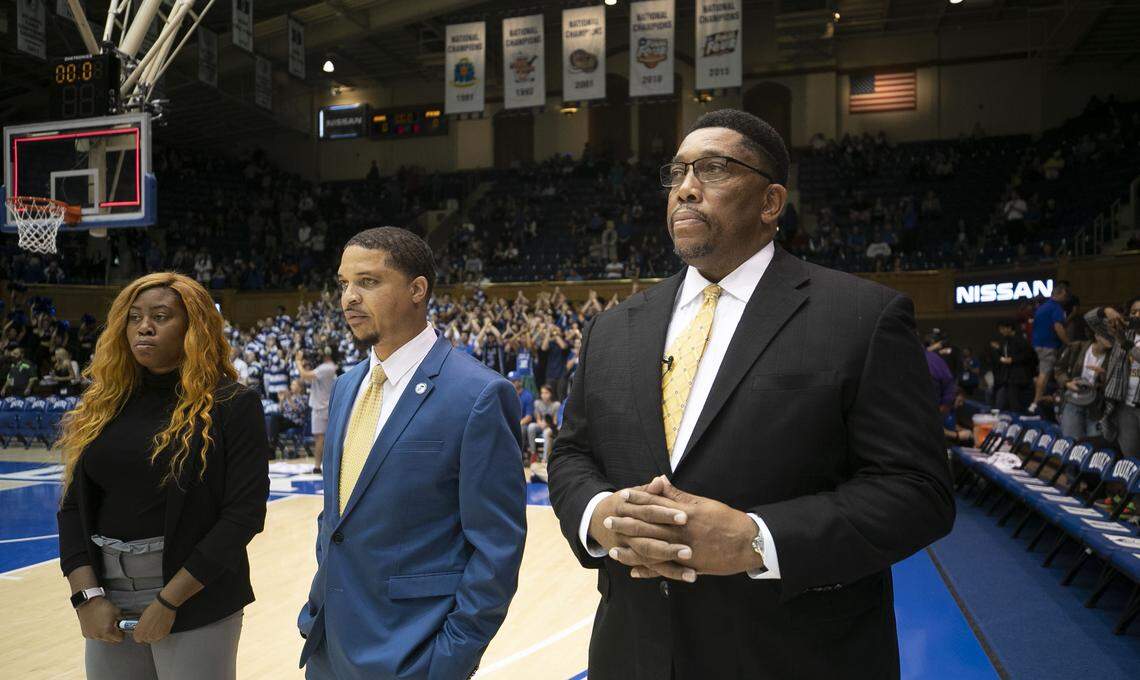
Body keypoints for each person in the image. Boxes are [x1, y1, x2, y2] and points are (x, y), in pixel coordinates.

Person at [548, 109, 954, 679]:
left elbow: (919, 493)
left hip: (793, 656)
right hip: (632, 654)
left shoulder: (863, 316)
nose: (686, 188)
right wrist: (599, 514)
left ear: (770, 202)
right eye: (677, 172)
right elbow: (571, 454)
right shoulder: (613, 328)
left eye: (713, 169)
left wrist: (757, 540)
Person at [298, 227, 526, 679]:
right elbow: (335, 521)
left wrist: (448, 662)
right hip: (330, 647)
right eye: (343, 284)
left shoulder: (478, 394)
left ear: (417, 289)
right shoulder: (346, 386)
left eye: (367, 282)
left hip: (414, 655)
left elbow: (496, 549)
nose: (348, 298)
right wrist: (315, 614)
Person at [55, 272, 270, 680]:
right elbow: (72, 507)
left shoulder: (233, 405)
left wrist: (169, 602)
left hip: (196, 593)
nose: (144, 327)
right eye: (134, 317)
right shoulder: (103, 404)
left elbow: (242, 516)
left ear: (194, 327)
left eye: (160, 316)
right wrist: (86, 597)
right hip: (107, 595)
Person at [1083, 297, 1140, 456]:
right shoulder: (1120, 334)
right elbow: (1089, 318)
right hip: (1125, 406)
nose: (1137, 315)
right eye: (1133, 311)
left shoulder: (1121, 338)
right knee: (1131, 457)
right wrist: (1106, 310)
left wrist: (1124, 342)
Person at [1054, 329, 1111, 439]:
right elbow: (1059, 369)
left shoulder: (1114, 356)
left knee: (1094, 442)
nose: (1111, 338)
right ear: (1097, 335)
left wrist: (1104, 377)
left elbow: (1114, 385)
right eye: (1107, 335)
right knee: (1071, 440)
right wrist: (1067, 383)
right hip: (1073, 400)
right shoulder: (1077, 347)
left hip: (1096, 406)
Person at [296, 346, 338, 474]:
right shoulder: (328, 367)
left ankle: (317, 467)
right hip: (325, 406)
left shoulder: (327, 367)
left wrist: (298, 361)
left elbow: (304, 375)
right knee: (323, 438)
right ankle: (321, 466)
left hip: (321, 407)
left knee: (320, 439)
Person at [1030, 283, 1071, 412]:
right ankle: (1036, 403)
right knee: (1044, 373)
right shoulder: (1055, 308)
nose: (1066, 298)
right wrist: (1068, 343)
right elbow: (1058, 327)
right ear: (1060, 294)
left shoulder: (1042, 308)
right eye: (1065, 295)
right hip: (1048, 345)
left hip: (1038, 344)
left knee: (1044, 372)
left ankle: (1042, 399)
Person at [991, 320, 1034, 412]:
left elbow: (1028, 355)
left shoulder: (1020, 340)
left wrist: (1012, 360)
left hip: (1019, 377)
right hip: (1008, 377)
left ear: (1009, 328)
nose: (1001, 331)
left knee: (1016, 404)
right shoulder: (1006, 341)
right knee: (1003, 401)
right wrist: (998, 351)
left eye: (1003, 329)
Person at [527, 384, 560, 465]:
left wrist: (547, 425)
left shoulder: (556, 405)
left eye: (546, 393)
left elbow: (555, 422)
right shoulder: (537, 403)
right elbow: (538, 418)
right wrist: (540, 423)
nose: (544, 395)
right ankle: (533, 453)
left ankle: (545, 458)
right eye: (542, 393)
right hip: (541, 424)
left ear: (551, 393)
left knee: (546, 433)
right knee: (531, 427)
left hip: (551, 426)